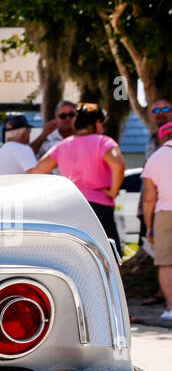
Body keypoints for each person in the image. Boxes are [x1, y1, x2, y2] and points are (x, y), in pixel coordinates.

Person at [29, 103, 125, 259]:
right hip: (100, 206)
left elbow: (37, 171)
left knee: (77, 257)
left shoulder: (62, 145)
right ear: (98, 123)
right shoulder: (104, 142)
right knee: (110, 256)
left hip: (72, 206)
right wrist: (113, 192)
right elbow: (118, 166)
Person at [141, 121, 172, 320]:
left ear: (161, 137)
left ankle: (170, 309)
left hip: (164, 213)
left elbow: (149, 198)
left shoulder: (155, 157)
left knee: (165, 263)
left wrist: (149, 226)